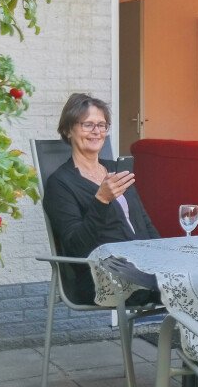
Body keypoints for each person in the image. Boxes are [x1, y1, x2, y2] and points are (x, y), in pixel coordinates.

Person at [43, 92, 160, 305]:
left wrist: (163, 255)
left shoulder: (116, 170)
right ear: (69, 129)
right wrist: (101, 200)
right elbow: (76, 247)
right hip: (99, 274)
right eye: (88, 125)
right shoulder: (60, 184)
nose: (97, 132)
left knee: (196, 278)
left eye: (102, 125)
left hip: (141, 263)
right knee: (180, 287)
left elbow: (144, 222)